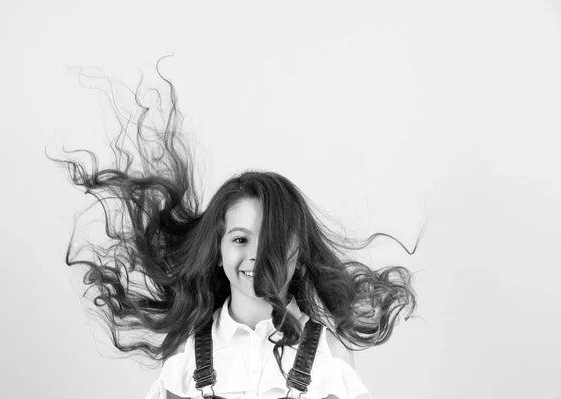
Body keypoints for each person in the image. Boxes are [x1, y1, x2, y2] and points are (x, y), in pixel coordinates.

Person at [48, 58, 420, 399]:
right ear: (218, 251)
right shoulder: (186, 357)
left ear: (301, 255)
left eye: (273, 239)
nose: (255, 255)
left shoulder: (330, 356)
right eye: (240, 238)